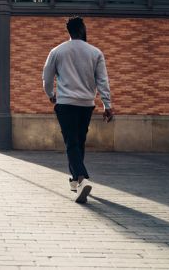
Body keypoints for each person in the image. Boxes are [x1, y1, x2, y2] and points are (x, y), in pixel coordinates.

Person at [42, 16, 114, 204]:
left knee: (71, 142)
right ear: (82, 30)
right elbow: (102, 80)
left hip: (65, 103)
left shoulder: (57, 51)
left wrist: (50, 94)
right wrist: (107, 104)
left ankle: (81, 177)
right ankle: (75, 180)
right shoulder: (95, 52)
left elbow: (47, 77)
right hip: (86, 104)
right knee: (79, 141)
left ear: (69, 31)